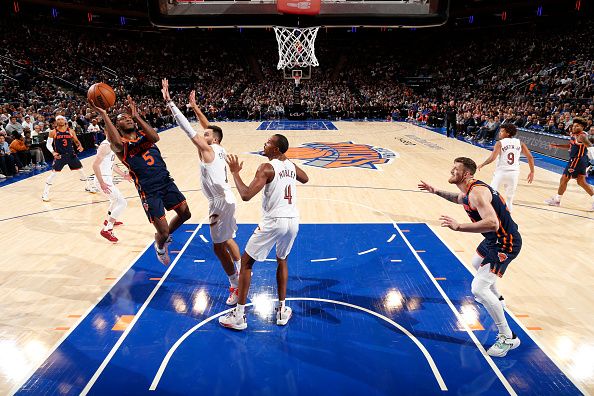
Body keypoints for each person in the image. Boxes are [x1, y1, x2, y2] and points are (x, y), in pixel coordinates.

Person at [419, 157, 521, 357]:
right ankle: (498, 299)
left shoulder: (477, 193)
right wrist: (436, 191)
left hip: (505, 243)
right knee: (476, 262)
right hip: (493, 240)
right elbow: (457, 198)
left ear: (466, 174)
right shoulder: (468, 191)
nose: (451, 170)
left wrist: (459, 227)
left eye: (455, 168)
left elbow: (492, 223)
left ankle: (508, 337)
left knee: (479, 289)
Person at [161, 79, 242, 305]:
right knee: (227, 239)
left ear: (212, 140)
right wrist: (197, 109)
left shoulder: (208, 148)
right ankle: (243, 271)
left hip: (219, 203)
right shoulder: (219, 146)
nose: (201, 134)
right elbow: (209, 128)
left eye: (205, 135)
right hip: (226, 199)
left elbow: (189, 131)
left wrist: (170, 103)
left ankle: (235, 284)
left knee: (218, 247)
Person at [219, 134, 309, 331]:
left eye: (268, 143)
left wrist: (235, 172)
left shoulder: (266, 167)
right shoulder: (290, 166)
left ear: (276, 150)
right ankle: (282, 311)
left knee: (246, 263)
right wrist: (288, 166)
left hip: (274, 221)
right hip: (293, 221)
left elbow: (245, 195)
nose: (264, 144)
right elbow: (305, 178)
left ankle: (240, 316)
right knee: (282, 260)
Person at [89, 95, 191, 265]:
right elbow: (115, 142)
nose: (127, 120)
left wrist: (137, 116)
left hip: (166, 181)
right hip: (149, 190)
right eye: (123, 119)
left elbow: (156, 138)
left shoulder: (144, 134)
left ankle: (163, 238)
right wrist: (104, 115)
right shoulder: (119, 146)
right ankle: (159, 246)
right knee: (163, 232)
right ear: (117, 126)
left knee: (186, 213)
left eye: (128, 117)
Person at [477, 124, 535, 211]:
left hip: (501, 173)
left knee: (491, 194)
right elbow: (530, 157)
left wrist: (483, 164)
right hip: (514, 174)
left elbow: (492, 158)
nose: (499, 133)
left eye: (502, 131)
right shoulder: (520, 143)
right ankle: (508, 220)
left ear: (508, 133)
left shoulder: (500, 143)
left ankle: (490, 216)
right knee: (509, 199)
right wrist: (532, 172)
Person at [42, 115, 96, 201]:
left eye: (61, 119)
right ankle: (45, 193)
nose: (60, 121)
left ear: (65, 121)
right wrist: (53, 152)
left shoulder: (71, 131)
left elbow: (76, 141)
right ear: (56, 122)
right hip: (60, 156)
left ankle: (88, 187)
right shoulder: (53, 132)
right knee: (53, 174)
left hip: (71, 155)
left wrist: (80, 146)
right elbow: (48, 144)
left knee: (81, 171)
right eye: (58, 119)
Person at [545, 117, 594, 210]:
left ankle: (556, 200)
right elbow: (570, 145)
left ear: (582, 127)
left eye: (577, 126)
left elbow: (589, 144)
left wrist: (592, 152)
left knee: (563, 179)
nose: (574, 127)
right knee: (581, 182)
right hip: (580, 161)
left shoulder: (581, 136)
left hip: (576, 160)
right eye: (574, 125)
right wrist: (557, 146)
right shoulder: (575, 135)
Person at [93, 138, 132, 243]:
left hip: (107, 178)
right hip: (103, 180)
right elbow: (95, 165)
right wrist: (101, 182)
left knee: (115, 201)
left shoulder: (112, 144)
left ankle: (108, 220)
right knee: (122, 203)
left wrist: (124, 175)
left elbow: (112, 164)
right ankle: (107, 229)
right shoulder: (105, 146)